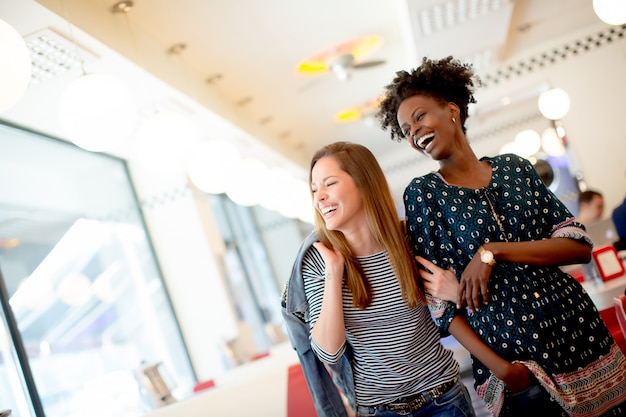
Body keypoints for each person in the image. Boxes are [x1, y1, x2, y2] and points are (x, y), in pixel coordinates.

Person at [376, 56, 626, 417]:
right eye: (405, 130)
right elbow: (439, 304)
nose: (414, 131)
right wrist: (504, 371)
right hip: (515, 363)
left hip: (581, 338)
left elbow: (577, 246)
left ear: (451, 111)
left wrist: (491, 252)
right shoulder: (424, 194)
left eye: (419, 117)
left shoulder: (515, 168)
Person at [282, 141, 525, 417]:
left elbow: (466, 307)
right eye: (314, 189)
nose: (319, 197)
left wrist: (457, 292)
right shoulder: (318, 259)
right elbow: (328, 352)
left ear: (363, 182)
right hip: (379, 410)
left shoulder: (411, 238)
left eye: (329, 184)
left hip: (443, 398)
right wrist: (335, 271)